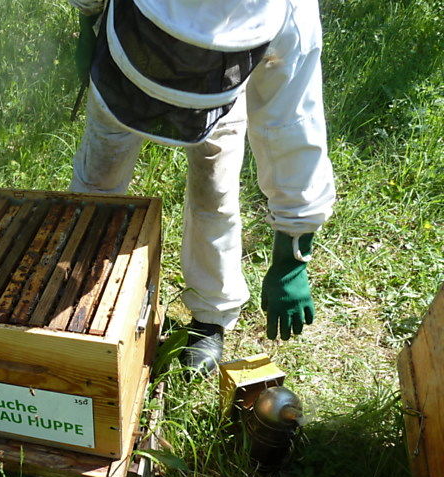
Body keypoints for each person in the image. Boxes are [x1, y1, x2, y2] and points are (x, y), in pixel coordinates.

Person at [68, 0, 336, 380]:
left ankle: (211, 316)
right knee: (97, 181)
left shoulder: (289, 11)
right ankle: (78, 279)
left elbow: (292, 124)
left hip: (217, 101)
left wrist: (292, 256)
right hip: (122, 75)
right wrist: (88, 18)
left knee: (215, 193)